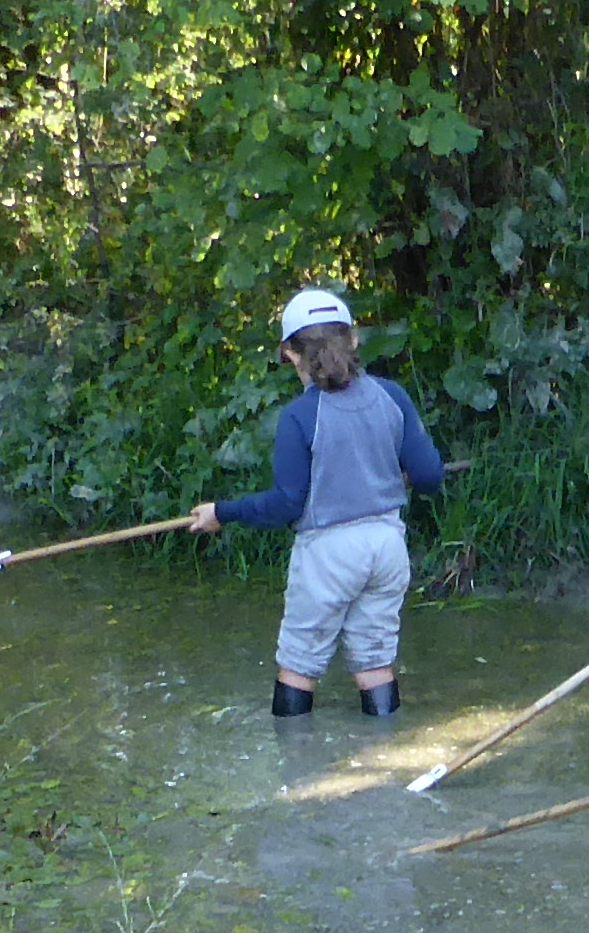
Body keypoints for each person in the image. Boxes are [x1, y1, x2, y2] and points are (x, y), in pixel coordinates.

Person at [188, 286, 443, 718]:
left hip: (328, 553)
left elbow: (287, 504)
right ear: (354, 339)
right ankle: (387, 757)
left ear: (289, 353)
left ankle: (295, 766)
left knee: (300, 664)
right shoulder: (393, 396)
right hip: (387, 546)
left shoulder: (299, 417)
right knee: (375, 659)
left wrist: (221, 513)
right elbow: (431, 477)